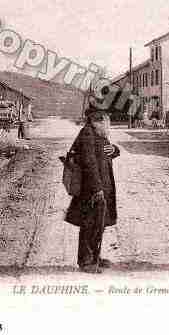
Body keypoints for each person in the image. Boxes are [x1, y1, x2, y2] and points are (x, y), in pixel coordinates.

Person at [65, 108, 120, 273]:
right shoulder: (88, 134)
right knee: (89, 223)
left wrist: (115, 150)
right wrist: (97, 189)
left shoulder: (98, 133)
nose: (108, 123)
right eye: (106, 120)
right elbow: (89, 163)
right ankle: (86, 261)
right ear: (98, 120)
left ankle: (95, 255)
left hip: (104, 183)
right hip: (92, 187)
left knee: (99, 222)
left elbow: (107, 150)